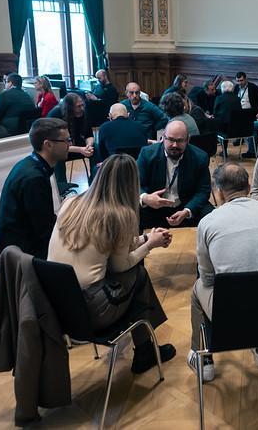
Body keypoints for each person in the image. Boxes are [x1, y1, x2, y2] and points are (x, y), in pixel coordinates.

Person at [47, 154, 176, 373]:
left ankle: (145, 347)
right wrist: (150, 245)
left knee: (132, 276)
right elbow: (121, 265)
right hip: (92, 310)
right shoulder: (120, 215)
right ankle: (144, 350)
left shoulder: (71, 202)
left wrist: (145, 238)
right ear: (131, 184)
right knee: (139, 274)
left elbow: (107, 245)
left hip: (58, 306)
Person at [190, 163, 258, 380]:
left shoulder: (208, 222)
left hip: (232, 316)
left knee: (199, 286)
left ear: (218, 191)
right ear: (248, 186)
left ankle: (204, 358)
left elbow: (208, 278)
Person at [0, 118, 70, 259]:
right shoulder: (34, 179)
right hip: (19, 253)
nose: (69, 145)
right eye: (66, 140)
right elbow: (44, 230)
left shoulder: (30, 164)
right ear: (48, 145)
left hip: (19, 242)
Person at [137, 119, 214, 230]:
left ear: (188, 140)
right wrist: (146, 198)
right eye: (171, 139)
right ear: (163, 137)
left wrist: (187, 211)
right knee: (131, 212)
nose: (174, 145)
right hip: (153, 207)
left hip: (184, 207)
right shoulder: (147, 154)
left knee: (210, 214)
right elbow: (136, 184)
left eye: (179, 141)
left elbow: (203, 190)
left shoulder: (200, 157)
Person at [47, 93, 99, 184]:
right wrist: (80, 150)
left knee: (96, 147)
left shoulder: (82, 113)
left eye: (83, 105)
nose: (82, 108)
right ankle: (62, 187)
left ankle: (96, 182)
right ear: (69, 108)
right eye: (78, 106)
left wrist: (88, 146)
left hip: (77, 146)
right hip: (59, 147)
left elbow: (89, 135)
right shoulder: (55, 114)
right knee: (57, 154)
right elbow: (57, 144)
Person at [0, 73, 39, 139]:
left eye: (6, 82)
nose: (5, 84)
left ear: (10, 83)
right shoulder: (27, 95)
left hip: (10, 130)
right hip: (27, 129)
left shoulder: (4, 94)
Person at [235, 71, 258, 154]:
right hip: (239, 112)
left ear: (246, 79)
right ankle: (239, 137)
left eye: (241, 80)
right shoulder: (236, 88)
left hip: (250, 112)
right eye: (238, 81)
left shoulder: (252, 87)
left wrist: (256, 111)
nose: (239, 83)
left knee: (250, 126)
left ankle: (250, 149)